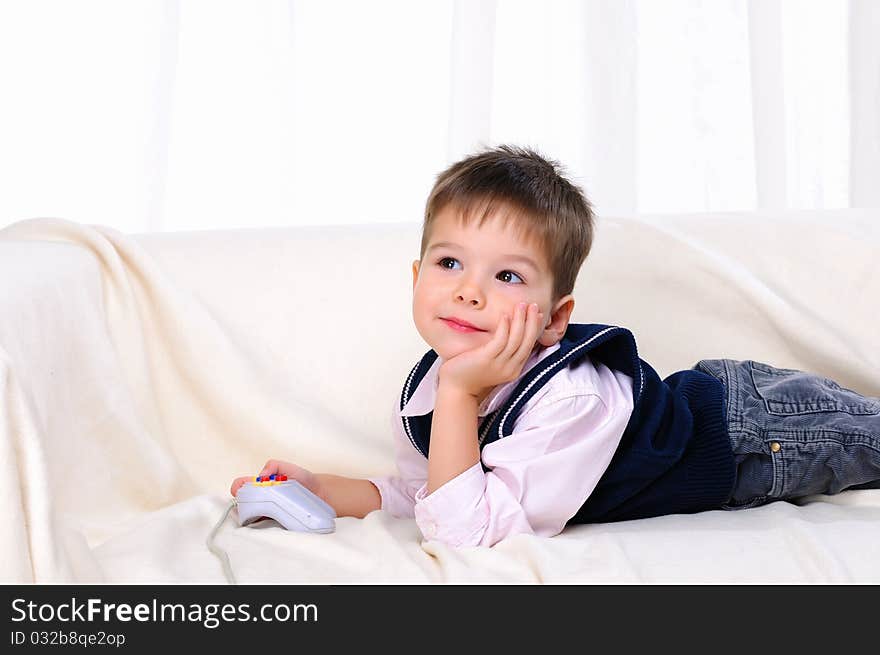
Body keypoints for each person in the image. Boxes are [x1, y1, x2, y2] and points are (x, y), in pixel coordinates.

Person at [230, 144, 880, 547]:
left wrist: (461, 394)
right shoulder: (434, 387)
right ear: (415, 278)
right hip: (738, 415)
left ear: (553, 317)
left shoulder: (569, 399)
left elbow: (466, 530)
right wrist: (323, 488)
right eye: (450, 263)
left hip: (752, 430)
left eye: (506, 275)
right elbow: (427, 494)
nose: (469, 292)